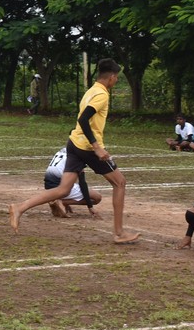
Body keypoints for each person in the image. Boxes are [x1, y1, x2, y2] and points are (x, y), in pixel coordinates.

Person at [9, 58, 140, 244]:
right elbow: (84, 120)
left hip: (74, 143)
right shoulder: (102, 95)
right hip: (87, 147)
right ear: (111, 77)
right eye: (116, 77)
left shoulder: (91, 91)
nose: (116, 80)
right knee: (120, 183)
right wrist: (97, 147)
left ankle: (20, 207)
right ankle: (119, 233)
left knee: (63, 189)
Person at [44, 146, 102, 217]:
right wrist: (90, 207)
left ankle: (58, 199)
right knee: (97, 198)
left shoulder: (64, 149)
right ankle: (62, 201)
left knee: (70, 181)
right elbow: (82, 182)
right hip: (59, 187)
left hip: (48, 186)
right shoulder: (78, 155)